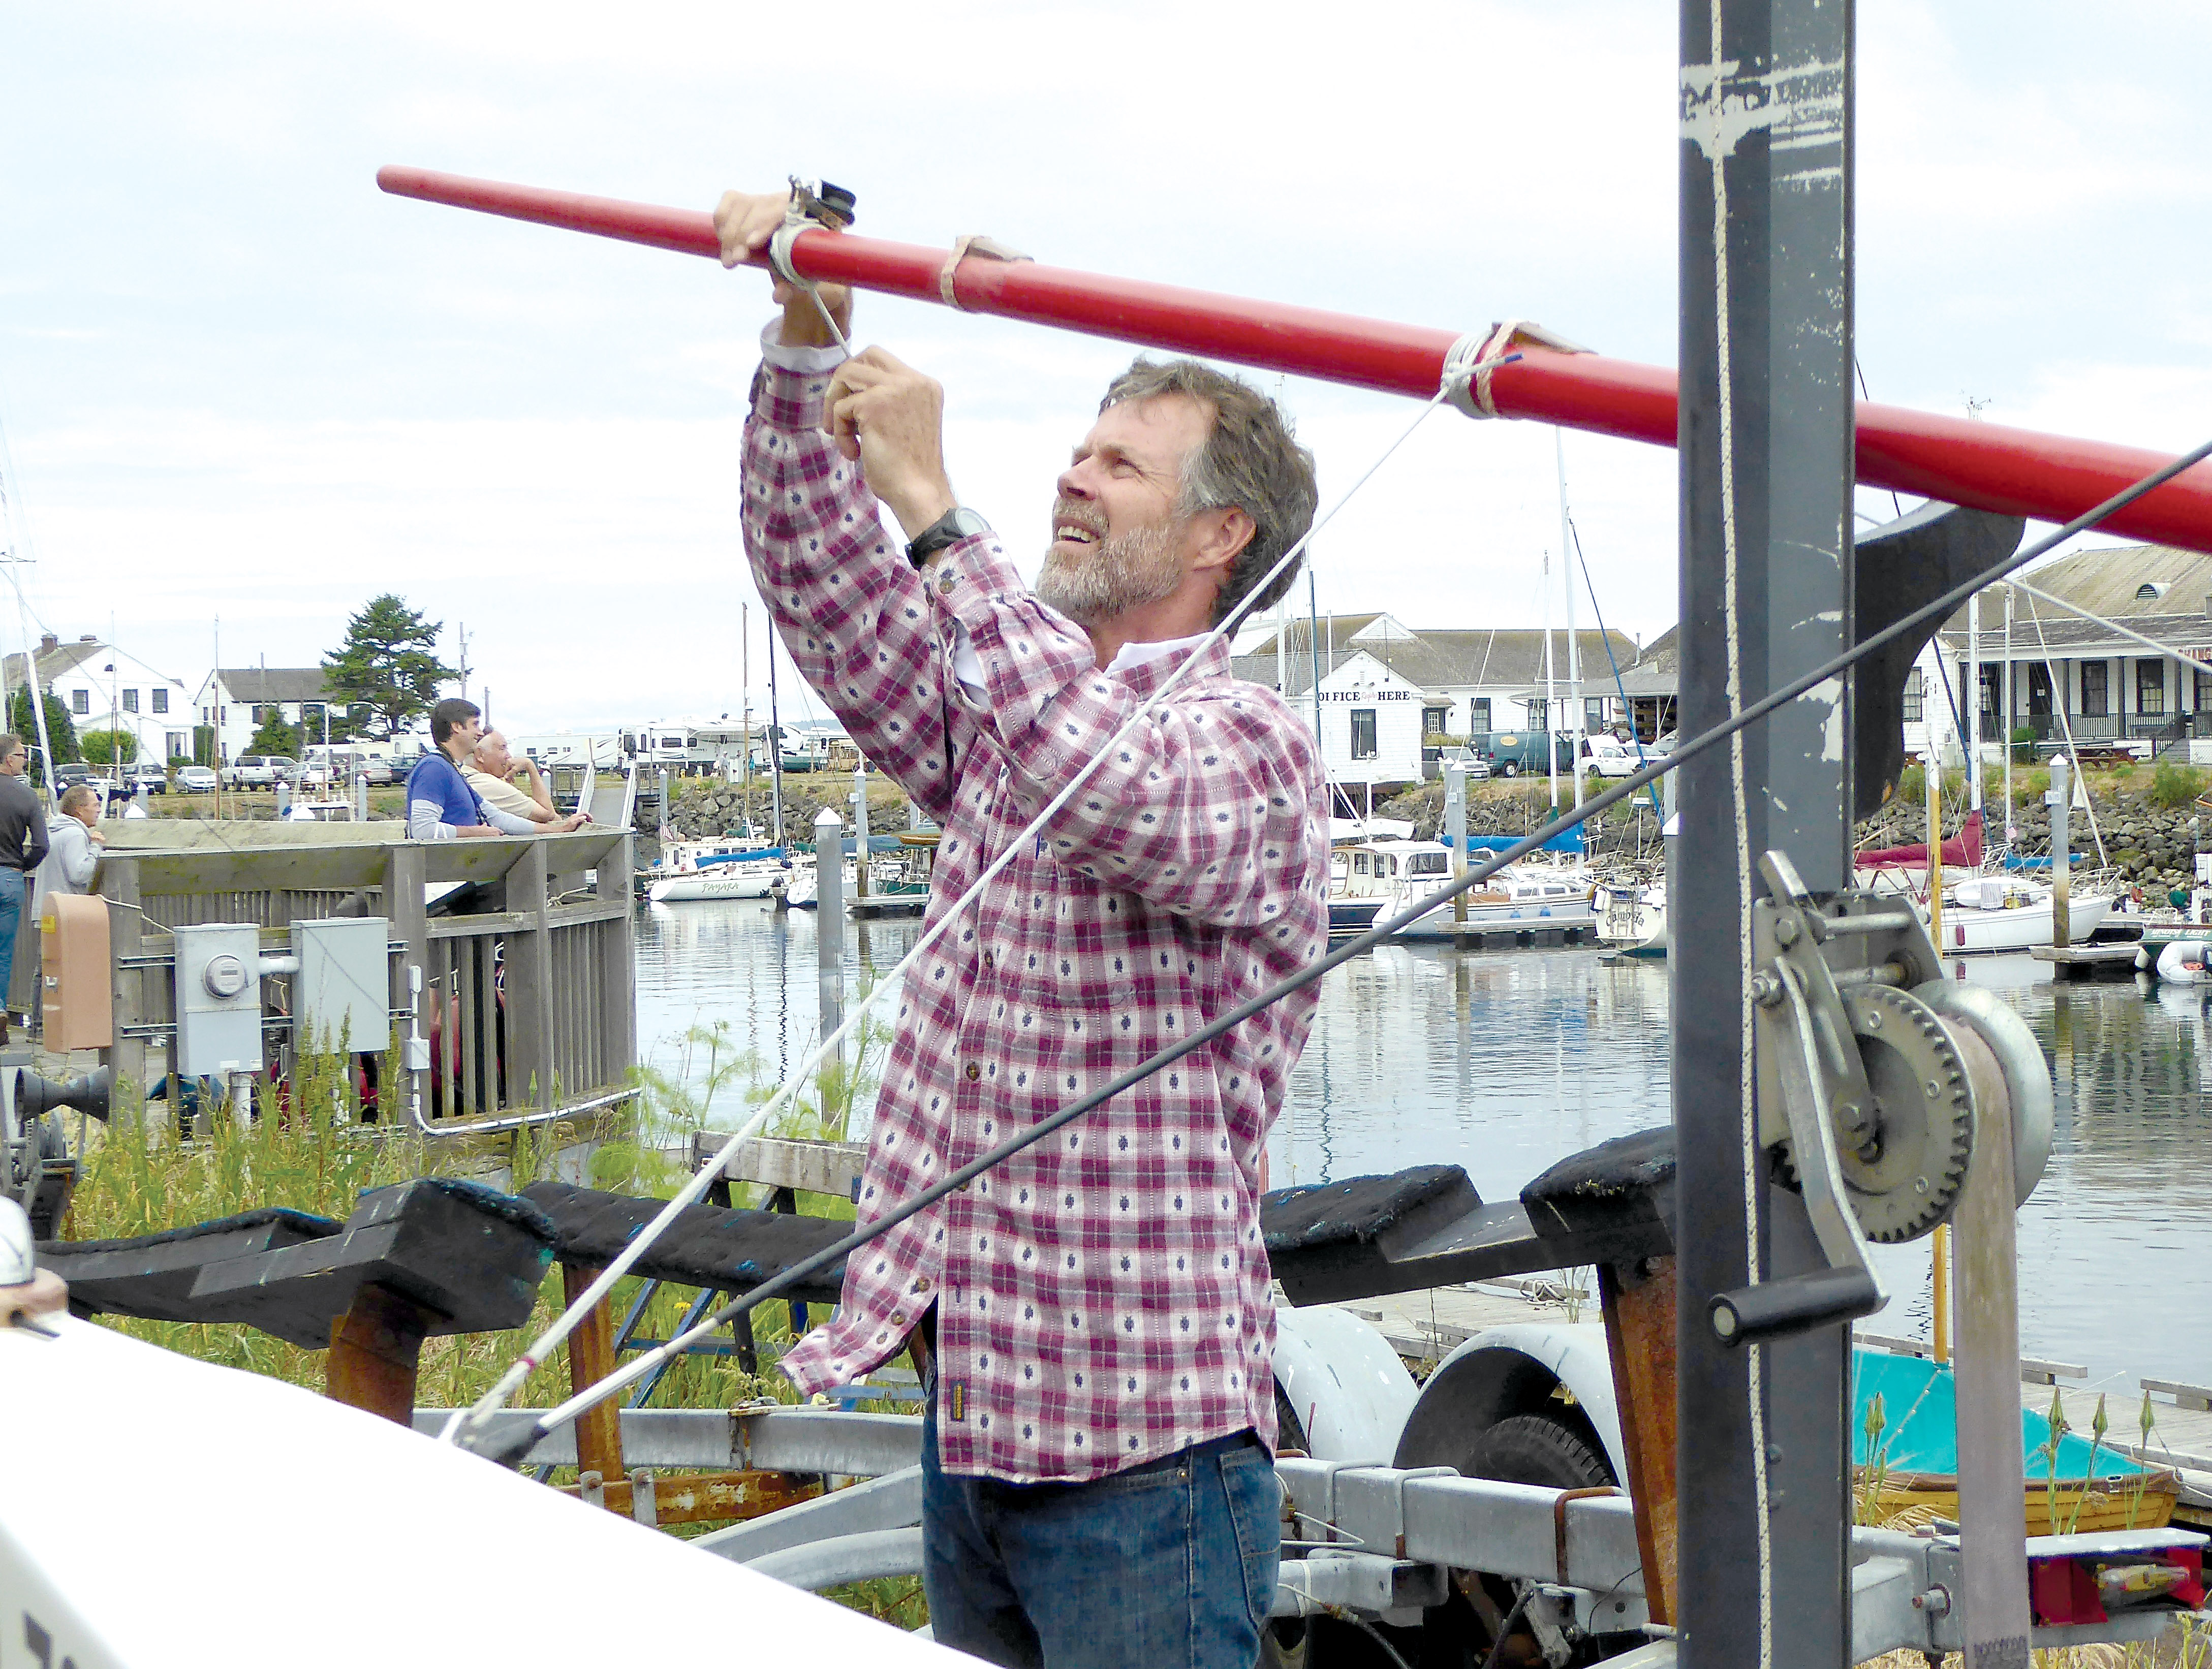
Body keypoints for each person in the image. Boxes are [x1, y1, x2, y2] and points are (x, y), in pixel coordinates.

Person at [718, 185, 1329, 1669]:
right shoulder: (1001, 714)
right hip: (978, 1433)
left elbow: (1101, 780)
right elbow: (823, 581)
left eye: (1117, 465)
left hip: (1148, 1465)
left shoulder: (1252, 750)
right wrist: (810, 336)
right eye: (1074, 449)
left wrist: (938, 506)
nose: (1072, 478)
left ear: (1216, 535)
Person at [405, 699, 585, 839]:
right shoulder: (434, 768)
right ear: (457, 727)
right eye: (475, 724)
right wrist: (476, 833)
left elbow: (497, 818)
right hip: (446, 884)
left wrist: (558, 829)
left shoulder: (452, 769)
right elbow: (422, 830)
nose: (480, 733)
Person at [0, 736, 50, 1041]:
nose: (24, 760)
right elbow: (42, 844)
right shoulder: (26, 796)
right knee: (3, 953)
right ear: (7, 759)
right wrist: (21, 864)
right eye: (20, 755)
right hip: (9, 878)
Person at [464, 730, 564, 827]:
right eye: (502, 748)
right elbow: (550, 815)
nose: (509, 756)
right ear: (480, 755)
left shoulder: (464, 775)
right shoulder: (486, 783)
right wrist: (530, 766)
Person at [34, 783, 104, 922]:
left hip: (47, 910)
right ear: (79, 810)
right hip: (68, 913)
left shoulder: (54, 831)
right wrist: (96, 846)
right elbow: (79, 875)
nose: (99, 810)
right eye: (95, 805)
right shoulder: (75, 834)